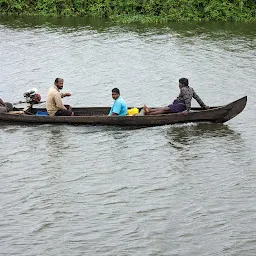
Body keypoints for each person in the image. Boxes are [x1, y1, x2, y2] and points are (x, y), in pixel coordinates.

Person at [143, 78, 209, 115]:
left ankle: (149, 114)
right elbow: (198, 98)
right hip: (179, 105)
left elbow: (187, 100)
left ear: (182, 84)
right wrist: (203, 106)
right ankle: (149, 110)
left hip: (181, 106)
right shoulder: (191, 89)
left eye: (179, 83)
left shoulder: (183, 89)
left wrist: (188, 110)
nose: (178, 85)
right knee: (165, 109)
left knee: (165, 110)